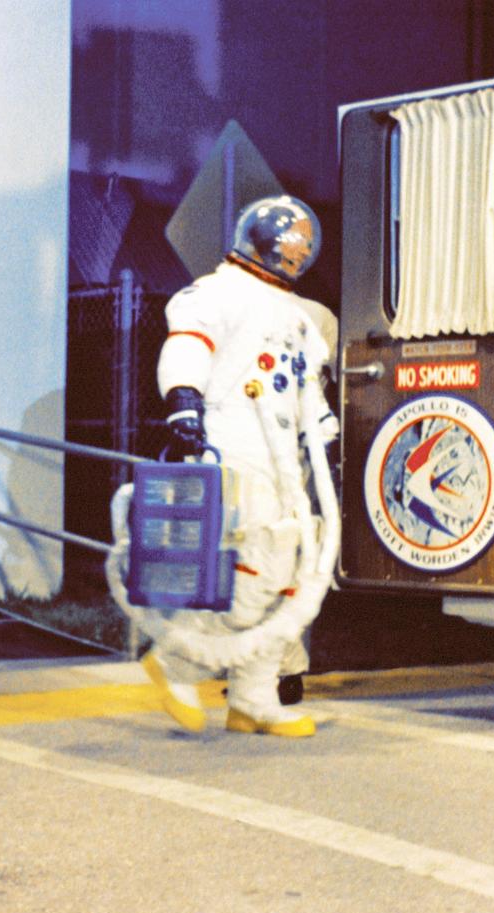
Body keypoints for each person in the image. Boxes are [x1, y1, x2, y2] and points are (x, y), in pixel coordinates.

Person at [138, 194, 340, 738]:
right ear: (258, 240)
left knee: (283, 579)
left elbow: (305, 387)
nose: (293, 253)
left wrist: (323, 434)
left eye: (302, 245)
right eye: (285, 242)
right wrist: (183, 399)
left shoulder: (299, 318)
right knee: (245, 574)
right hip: (232, 450)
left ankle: (254, 698)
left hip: (283, 466)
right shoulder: (217, 291)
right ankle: (177, 662)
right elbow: (188, 345)